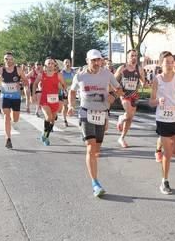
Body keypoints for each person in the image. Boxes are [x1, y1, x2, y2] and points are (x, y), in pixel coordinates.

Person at [69, 50, 124, 197]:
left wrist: (113, 95)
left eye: (98, 60)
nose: (96, 63)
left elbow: (120, 90)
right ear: (87, 61)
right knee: (90, 147)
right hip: (86, 112)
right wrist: (70, 106)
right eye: (93, 60)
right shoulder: (80, 75)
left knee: (96, 150)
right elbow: (72, 92)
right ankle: (95, 183)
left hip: (102, 114)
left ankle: (92, 167)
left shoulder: (107, 74)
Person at [149, 51, 175, 195]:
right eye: (167, 62)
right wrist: (157, 101)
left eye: (172, 62)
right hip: (163, 120)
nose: (170, 64)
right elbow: (150, 101)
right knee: (168, 153)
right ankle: (164, 181)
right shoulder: (157, 80)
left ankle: (164, 152)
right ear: (161, 64)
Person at [0, 52, 28, 149]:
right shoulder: (0, 71)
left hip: (15, 97)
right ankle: (8, 139)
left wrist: (21, 85)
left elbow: (26, 81)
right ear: (4, 60)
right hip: (5, 96)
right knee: (6, 116)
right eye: (6, 59)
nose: (8, 61)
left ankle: (11, 117)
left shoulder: (18, 70)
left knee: (15, 119)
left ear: (13, 60)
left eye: (10, 59)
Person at [115, 50, 146, 148]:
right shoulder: (122, 68)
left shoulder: (139, 69)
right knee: (128, 114)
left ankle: (122, 138)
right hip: (124, 95)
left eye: (135, 56)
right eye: (132, 56)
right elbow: (114, 81)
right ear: (127, 57)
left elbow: (142, 81)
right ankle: (121, 118)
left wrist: (143, 83)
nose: (134, 57)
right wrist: (117, 90)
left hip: (134, 95)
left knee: (130, 118)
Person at [33, 58, 67, 146]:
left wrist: (61, 87)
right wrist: (33, 94)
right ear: (45, 65)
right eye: (49, 63)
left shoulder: (58, 75)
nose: (51, 64)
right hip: (45, 99)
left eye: (52, 63)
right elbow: (35, 84)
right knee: (48, 117)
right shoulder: (41, 75)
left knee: (52, 119)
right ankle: (45, 134)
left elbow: (64, 85)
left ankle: (46, 136)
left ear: (54, 65)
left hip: (55, 99)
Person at [59, 59, 76, 127]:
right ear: (63, 64)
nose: (67, 64)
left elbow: (76, 80)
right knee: (65, 106)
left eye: (68, 62)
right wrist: (64, 88)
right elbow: (60, 82)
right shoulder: (62, 72)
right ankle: (64, 119)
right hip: (64, 90)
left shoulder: (73, 71)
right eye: (66, 62)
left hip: (72, 90)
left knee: (72, 105)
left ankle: (69, 114)